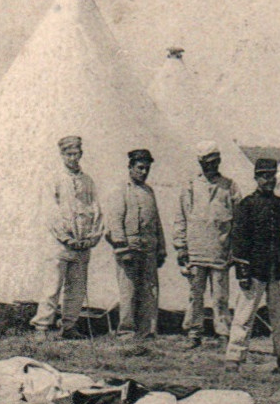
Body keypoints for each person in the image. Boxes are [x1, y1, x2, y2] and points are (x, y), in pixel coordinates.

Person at [226, 158, 280, 373]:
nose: (269, 180)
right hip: (254, 269)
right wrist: (241, 268)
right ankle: (234, 357)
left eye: (272, 176)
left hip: (277, 268)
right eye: (264, 176)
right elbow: (238, 238)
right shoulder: (247, 205)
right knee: (244, 315)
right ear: (256, 178)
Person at [31, 135, 104, 339]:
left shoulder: (87, 181)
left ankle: (69, 326)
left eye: (76, 154)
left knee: (77, 288)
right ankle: (42, 327)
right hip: (60, 245)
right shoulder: (54, 179)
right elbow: (50, 211)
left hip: (82, 244)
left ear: (81, 154)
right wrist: (65, 237)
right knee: (52, 286)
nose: (73, 158)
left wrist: (92, 236)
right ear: (62, 155)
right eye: (69, 154)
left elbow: (95, 208)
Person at [175, 142, 236, 348]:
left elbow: (239, 220)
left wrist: (234, 249)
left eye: (215, 162)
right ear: (200, 163)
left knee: (220, 296)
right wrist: (181, 246)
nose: (211, 166)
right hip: (196, 250)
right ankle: (194, 332)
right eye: (207, 163)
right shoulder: (190, 186)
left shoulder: (229, 186)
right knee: (195, 294)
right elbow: (181, 218)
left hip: (220, 250)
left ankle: (223, 333)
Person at [106, 148, 165, 339]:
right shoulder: (120, 191)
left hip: (149, 249)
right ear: (130, 167)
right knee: (128, 291)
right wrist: (122, 249)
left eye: (147, 168)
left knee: (150, 291)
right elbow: (115, 221)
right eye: (140, 168)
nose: (144, 172)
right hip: (129, 249)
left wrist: (161, 248)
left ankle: (147, 330)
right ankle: (126, 330)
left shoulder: (149, 191)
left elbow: (157, 222)